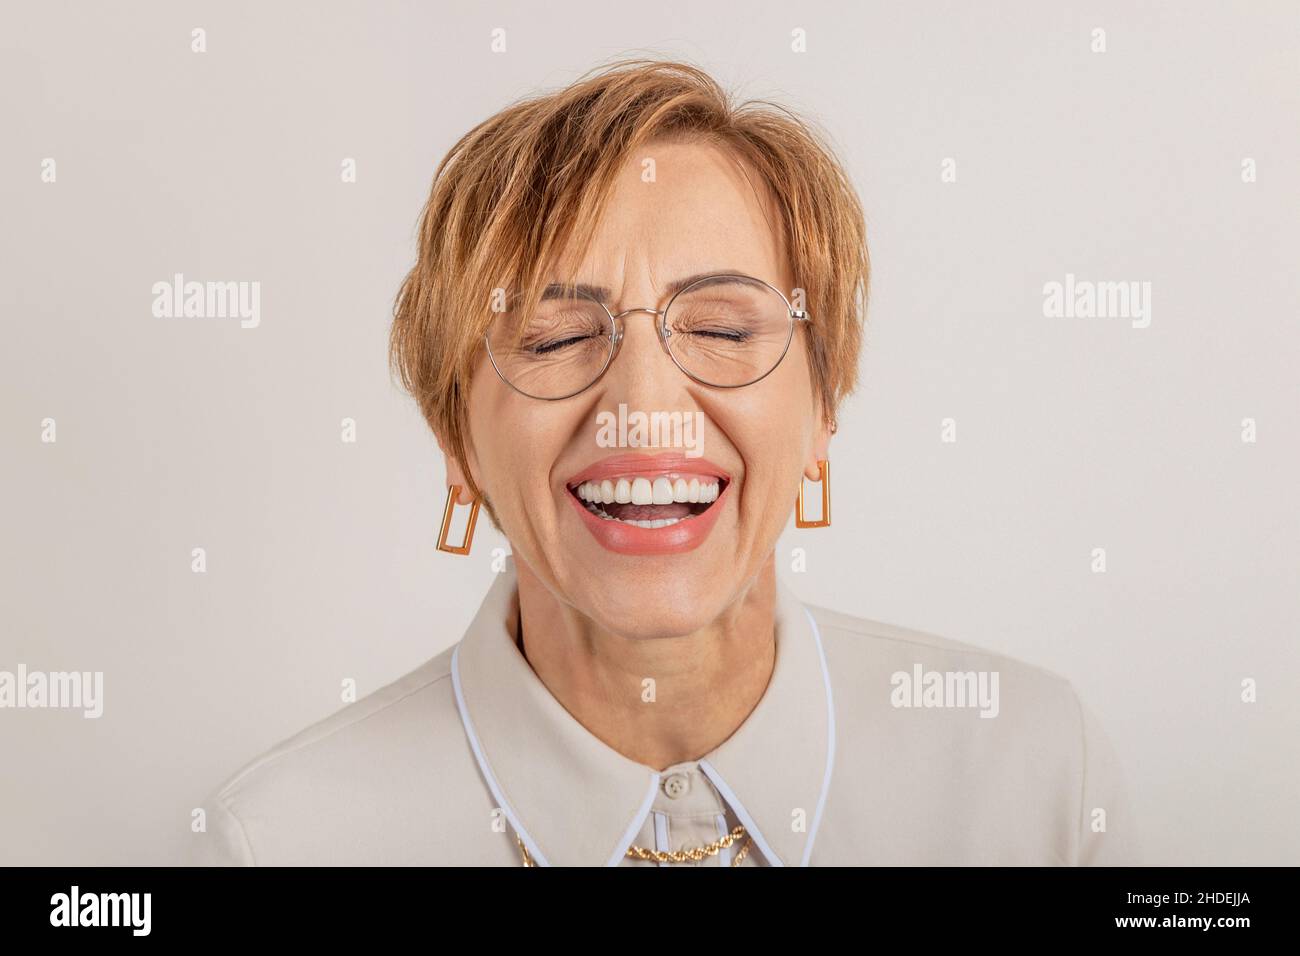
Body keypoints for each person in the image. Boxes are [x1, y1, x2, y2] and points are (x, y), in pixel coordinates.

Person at [193, 58, 1138, 866]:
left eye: (724, 326)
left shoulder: (1038, 774)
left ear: (824, 411)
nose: (642, 411)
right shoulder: (281, 843)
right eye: (557, 339)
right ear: (457, 442)